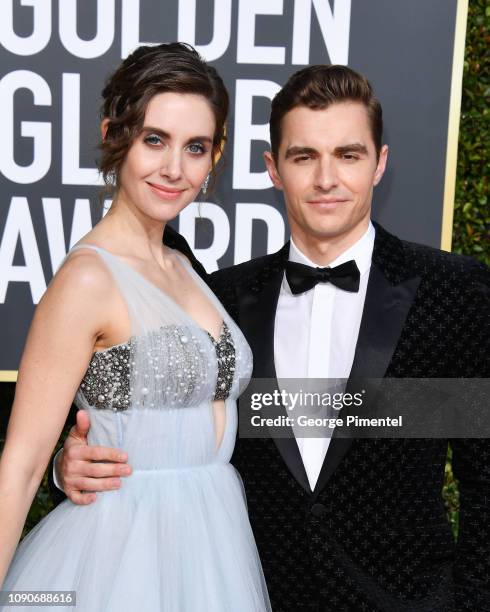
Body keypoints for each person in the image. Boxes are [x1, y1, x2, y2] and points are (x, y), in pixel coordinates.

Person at [54, 65, 489, 611]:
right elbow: (158, 423)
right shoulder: (221, 301)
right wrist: (68, 465)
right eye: (304, 157)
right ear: (273, 170)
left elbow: (484, 476)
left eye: (349, 155)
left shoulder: (452, 292)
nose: (326, 179)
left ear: (379, 164)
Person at [0, 42, 271, 612]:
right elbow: (21, 466)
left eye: (194, 147)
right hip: (118, 558)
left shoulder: (183, 266)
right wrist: (59, 464)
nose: (175, 169)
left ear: (215, 155)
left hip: (211, 544)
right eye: (155, 140)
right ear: (115, 135)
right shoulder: (87, 280)